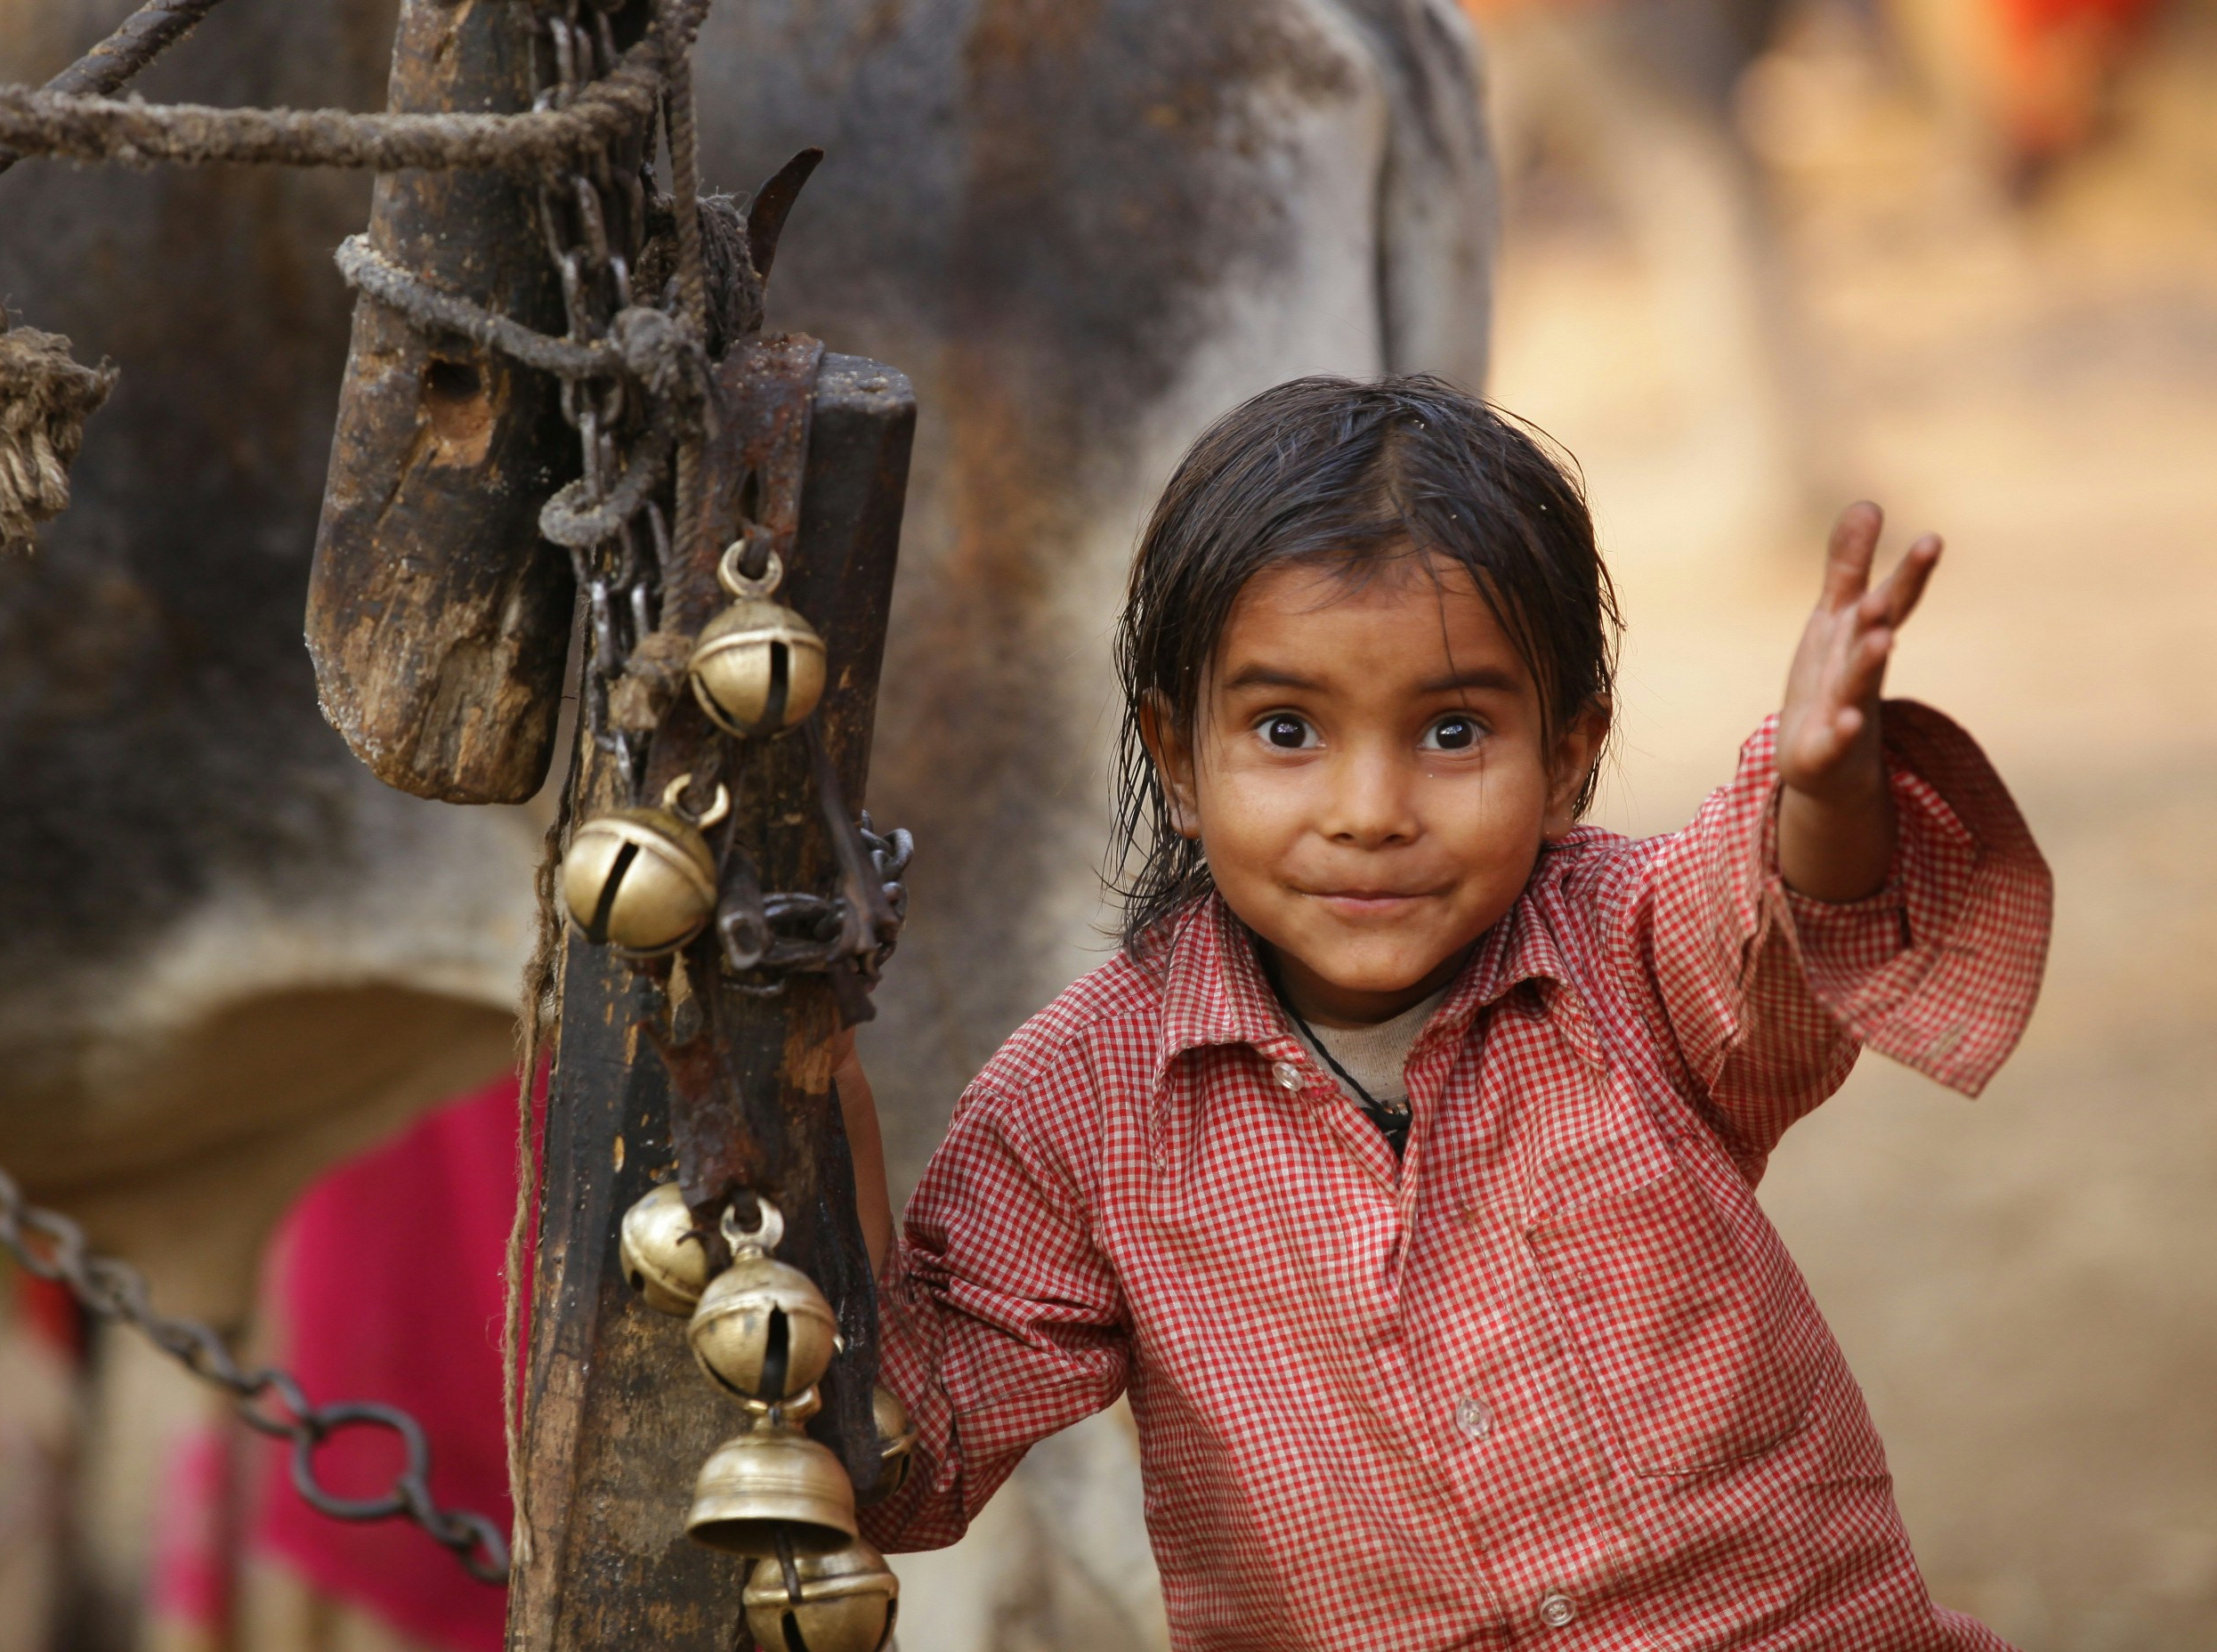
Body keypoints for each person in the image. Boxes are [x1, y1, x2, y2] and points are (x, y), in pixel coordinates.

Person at [831, 375, 2052, 1648]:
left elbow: (1789, 934)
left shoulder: (1630, 951)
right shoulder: (1079, 1107)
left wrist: (1828, 794)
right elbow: (908, 1451)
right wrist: (825, 1082)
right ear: (1180, 760)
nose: (1371, 810)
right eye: (1289, 728)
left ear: (1570, 758)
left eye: (1453, 730)